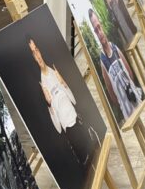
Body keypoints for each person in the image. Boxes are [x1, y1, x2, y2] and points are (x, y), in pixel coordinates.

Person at [30, 38, 100, 167]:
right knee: (87, 163)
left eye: (37, 50)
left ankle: (88, 139)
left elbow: (73, 99)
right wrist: (49, 104)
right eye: (33, 53)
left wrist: (64, 83)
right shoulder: (41, 85)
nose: (37, 56)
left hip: (77, 119)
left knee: (97, 152)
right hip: (69, 130)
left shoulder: (54, 69)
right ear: (32, 58)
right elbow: (58, 128)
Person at [89, 9, 144, 122]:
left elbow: (130, 73)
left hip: (135, 99)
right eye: (96, 30)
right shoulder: (103, 61)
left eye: (99, 27)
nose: (99, 33)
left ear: (102, 26)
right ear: (94, 33)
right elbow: (112, 96)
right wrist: (123, 100)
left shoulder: (115, 48)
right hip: (127, 111)